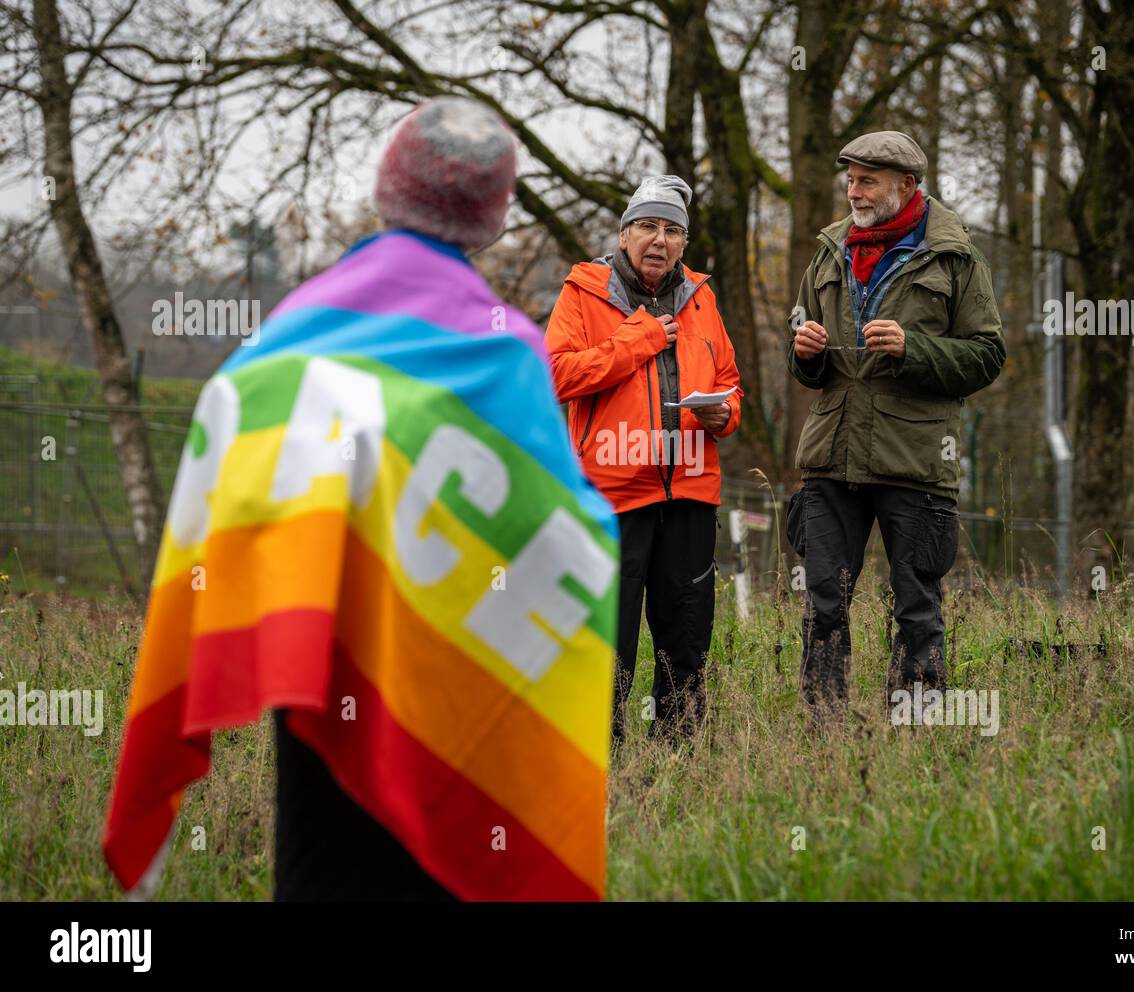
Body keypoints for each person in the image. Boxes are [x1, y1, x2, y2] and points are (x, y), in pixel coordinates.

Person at [104, 97, 618, 902]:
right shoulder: (503, 346)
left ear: (388, 191)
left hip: (317, 662)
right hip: (452, 672)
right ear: (490, 218)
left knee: (320, 865)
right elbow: (567, 534)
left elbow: (222, 465)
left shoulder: (289, 334)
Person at [786, 130, 1005, 719]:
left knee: (916, 604)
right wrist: (804, 352)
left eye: (867, 181)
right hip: (831, 455)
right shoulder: (829, 248)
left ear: (907, 186)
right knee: (824, 602)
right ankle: (822, 735)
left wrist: (916, 349)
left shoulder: (957, 256)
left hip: (915, 458)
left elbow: (987, 356)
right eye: (850, 180)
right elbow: (806, 363)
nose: (853, 192)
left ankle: (916, 731)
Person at [544, 175, 743, 746]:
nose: (660, 240)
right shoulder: (583, 292)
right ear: (625, 234)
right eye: (648, 227)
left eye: (672, 231)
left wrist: (723, 414)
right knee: (608, 637)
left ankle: (676, 756)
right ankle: (598, 754)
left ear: (684, 243)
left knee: (686, 635)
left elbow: (729, 383)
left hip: (690, 493)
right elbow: (557, 374)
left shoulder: (701, 298)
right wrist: (642, 337)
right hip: (611, 494)